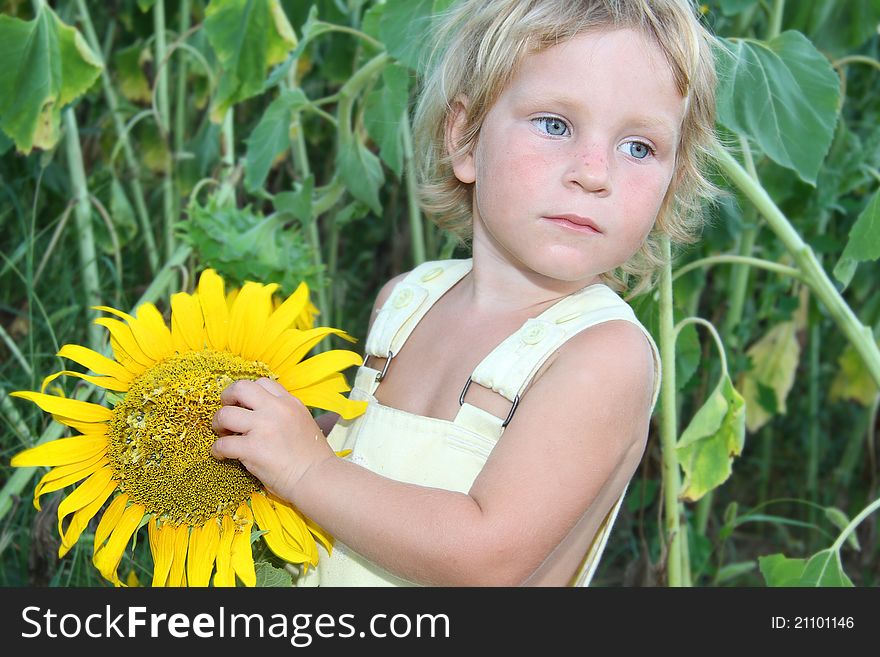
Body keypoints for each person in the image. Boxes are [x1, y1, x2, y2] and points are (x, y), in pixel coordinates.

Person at [211, 0, 719, 586]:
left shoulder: (600, 356)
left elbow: (486, 556)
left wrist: (304, 469)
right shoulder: (407, 300)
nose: (594, 172)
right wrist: (282, 431)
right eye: (555, 125)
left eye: (639, 147)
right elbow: (377, 460)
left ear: (672, 179)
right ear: (466, 139)